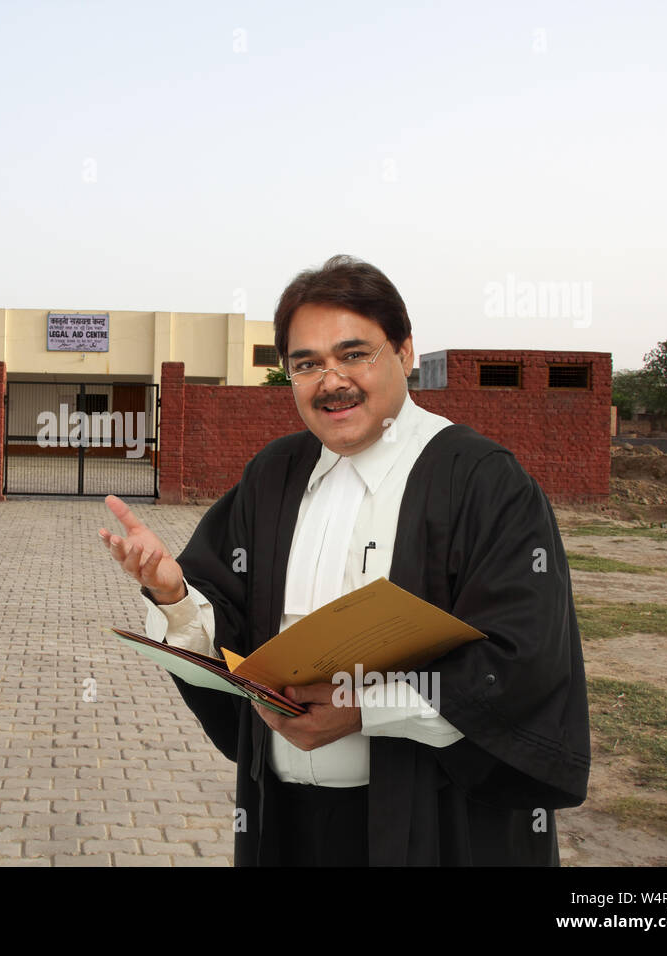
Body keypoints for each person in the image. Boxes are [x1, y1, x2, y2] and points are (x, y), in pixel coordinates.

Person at [98, 255, 590, 866]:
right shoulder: (274, 474)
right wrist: (173, 595)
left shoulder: (482, 481)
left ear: (406, 351)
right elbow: (229, 628)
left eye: (355, 354)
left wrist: (363, 711)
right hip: (283, 820)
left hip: (434, 824)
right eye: (307, 364)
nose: (331, 381)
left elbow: (522, 663)